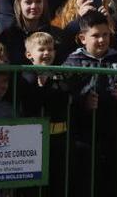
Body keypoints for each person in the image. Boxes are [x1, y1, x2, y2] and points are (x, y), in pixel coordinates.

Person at [64, 10, 117, 197]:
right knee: (85, 185)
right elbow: (65, 96)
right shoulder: (72, 63)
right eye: (95, 36)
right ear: (82, 38)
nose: (102, 40)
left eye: (105, 35)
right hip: (84, 138)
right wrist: (83, 102)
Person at [17, 31, 69, 197]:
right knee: (33, 187)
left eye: (50, 49)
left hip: (58, 137)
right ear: (29, 55)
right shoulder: (25, 75)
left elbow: (64, 99)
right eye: (41, 49)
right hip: (32, 140)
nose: (47, 53)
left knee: (57, 183)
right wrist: (40, 87)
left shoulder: (59, 74)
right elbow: (30, 104)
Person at [0, 0, 67, 64]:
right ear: (19, 4)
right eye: (28, 2)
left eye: (38, 1)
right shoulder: (8, 36)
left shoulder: (57, 36)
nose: (34, 6)